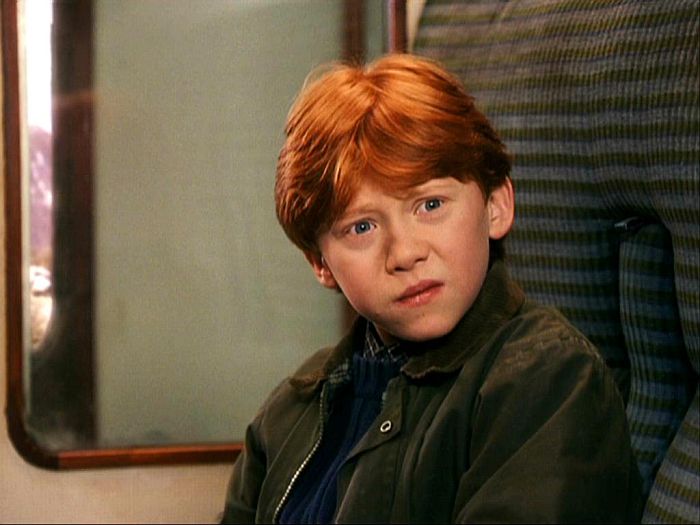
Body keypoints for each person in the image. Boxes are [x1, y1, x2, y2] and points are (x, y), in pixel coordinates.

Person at [221, 54, 642, 524]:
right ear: (321, 263)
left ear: (496, 206)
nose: (405, 253)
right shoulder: (293, 408)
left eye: (431, 205)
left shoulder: (547, 379)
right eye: (361, 227)